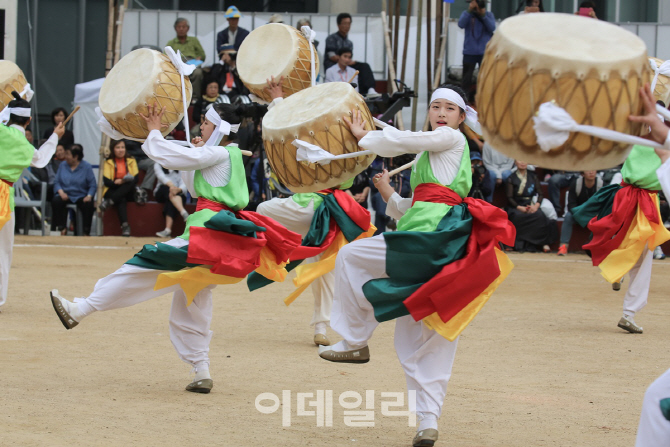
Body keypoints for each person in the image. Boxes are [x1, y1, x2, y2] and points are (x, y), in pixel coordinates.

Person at [50, 102, 301, 394]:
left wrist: (155, 131)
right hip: (219, 239)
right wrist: (191, 152)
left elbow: (164, 154)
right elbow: (193, 187)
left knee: (141, 265)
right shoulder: (224, 154)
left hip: (207, 234)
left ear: (218, 128)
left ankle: (81, 309)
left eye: (206, 123)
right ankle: (201, 369)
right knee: (193, 301)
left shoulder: (218, 152)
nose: (201, 127)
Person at [317, 85, 515, 447]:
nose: (441, 112)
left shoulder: (449, 140)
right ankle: (428, 422)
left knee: (350, 256)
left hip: (431, 242)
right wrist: (389, 194)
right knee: (419, 339)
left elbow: (403, 141)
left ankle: (357, 339)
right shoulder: (434, 153)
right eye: (435, 106)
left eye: (449, 108)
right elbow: (415, 207)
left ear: (460, 117)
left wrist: (367, 136)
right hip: (431, 244)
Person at [247, 79, 376, 346]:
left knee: (261, 209)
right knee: (323, 270)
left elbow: (289, 129)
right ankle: (321, 327)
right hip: (337, 213)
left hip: (310, 205)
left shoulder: (313, 135)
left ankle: (275, 249)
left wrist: (278, 99)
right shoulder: (350, 136)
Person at [571, 84, 670, 335]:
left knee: (633, 245)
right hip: (642, 199)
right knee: (643, 253)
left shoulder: (638, 133)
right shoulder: (655, 135)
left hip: (629, 195)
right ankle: (628, 309)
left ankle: (619, 275)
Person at [0, 91, 62, 309]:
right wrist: (55, 136)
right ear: (28, 120)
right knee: (3, 250)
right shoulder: (26, 147)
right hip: (4, 196)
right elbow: (42, 159)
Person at [505, 160, 557, 252]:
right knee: (517, 216)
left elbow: (540, 193)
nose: (522, 162)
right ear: (515, 162)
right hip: (517, 205)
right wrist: (519, 207)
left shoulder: (533, 176)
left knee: (540, 216)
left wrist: (536, 206)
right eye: (520, 160)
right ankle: (513, 244)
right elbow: (509, 197)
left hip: (530, 203)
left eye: (524, 160)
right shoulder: (511, 178)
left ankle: (542, 243)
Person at [323, 13, 379, 97]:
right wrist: (345, 60)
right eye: (345, 23)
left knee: (364, 66)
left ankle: (369, 90)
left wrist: (348, 60)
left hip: (346, 65)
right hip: (333, 65)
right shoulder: (331, 38)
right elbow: (332, 56)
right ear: (338, 25)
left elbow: (349, 56)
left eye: (349, 23)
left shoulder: (349, 43)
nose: (347, 26)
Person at [51, 144, 97, 236]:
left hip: (81, 195)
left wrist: (89, 196)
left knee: (89, 204)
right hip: (65, 194)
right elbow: (56, 182)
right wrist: (61, 192)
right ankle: (61, 228)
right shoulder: (62, 165)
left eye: (68, 154)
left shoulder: (86, 167)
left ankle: (85, 231)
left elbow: (92, 185)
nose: (66, 156)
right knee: (56, 201)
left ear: (76, 157)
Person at [458, 0, 496, 103]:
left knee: (485, 78)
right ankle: (464, 101)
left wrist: (483, 15)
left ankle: (484, 100)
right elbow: (461, 24)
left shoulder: (488, 15)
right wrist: (469, 10)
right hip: (469, 52)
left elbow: (492, 27)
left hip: (484, 53)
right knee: (466, 79)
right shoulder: (467, 15)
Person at [99, 139, 139, 237]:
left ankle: (110, 202)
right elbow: (108, 182)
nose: (121, 150)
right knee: (121, 198)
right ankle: (125, 227)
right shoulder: (108, 162)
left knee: (129, 184)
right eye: (118, 148)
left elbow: (135, 179)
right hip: (112, 189)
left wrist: (121, 181)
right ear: (113, 150)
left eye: (122, 147)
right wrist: (121, 181)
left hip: (128, 189)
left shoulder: (131, 160)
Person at [557, 171, 602, 255]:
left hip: (595, 214)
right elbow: (571, 204)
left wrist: (598, 214)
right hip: (578, 213)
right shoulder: (576, 184)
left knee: (605, 218)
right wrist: (580, 214)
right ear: (583, 173)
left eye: (593, 169)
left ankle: (601, 247)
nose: (591, 172)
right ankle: (563, 246)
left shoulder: (601, 184)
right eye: (588, 170)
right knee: (568, 217)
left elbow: (604, 203)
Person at [166, 18, 206, 101]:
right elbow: (165, 57)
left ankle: (194, 98)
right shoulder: (171, 43)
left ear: (188, 28)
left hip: (192, 65)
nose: (181, 29)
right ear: (175, 28)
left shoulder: (194, 41)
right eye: (179, 27)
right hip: (177, 67)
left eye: (183, 27)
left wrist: (199, 58)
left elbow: (202, 55)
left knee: (198, 73)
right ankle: (176, 98)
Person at [153, 162, 190, 238]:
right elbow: (162, 177)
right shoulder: (158, 164)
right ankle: (183, 212)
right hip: (162, 191)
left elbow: (184, 183)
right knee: (168, 191)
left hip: (177, 193)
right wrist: (172, 187)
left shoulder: (181, 165)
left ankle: (167, 230)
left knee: (171, 199)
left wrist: (178, 189)